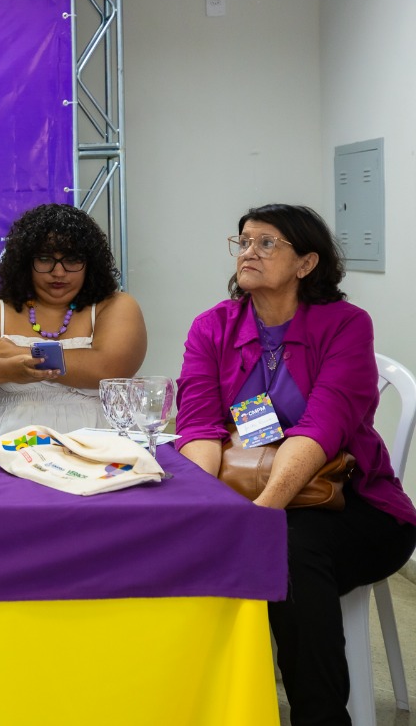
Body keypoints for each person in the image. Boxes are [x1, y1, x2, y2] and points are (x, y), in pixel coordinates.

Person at [174, 203, 416, 725]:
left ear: (306, 263)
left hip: (353, 502)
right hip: (246, 494)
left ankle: (320, 717)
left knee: (286, 548)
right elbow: (198, 426)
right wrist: (206, 509)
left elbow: (320, 431)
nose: (249, 252)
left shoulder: (346, 325)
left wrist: (259, 516)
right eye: (243, 241)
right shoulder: (212, 326)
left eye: (267, 243)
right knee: (178, 535)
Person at [0, 203, 146, 439]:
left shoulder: (115, 305)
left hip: (97, 441)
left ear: (91, 264)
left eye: (72, 260)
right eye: (45, 259)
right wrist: (7, 369)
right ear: (25, 263)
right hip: (8, 442)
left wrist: (22, 354)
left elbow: (109, 369)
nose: (59, 272)